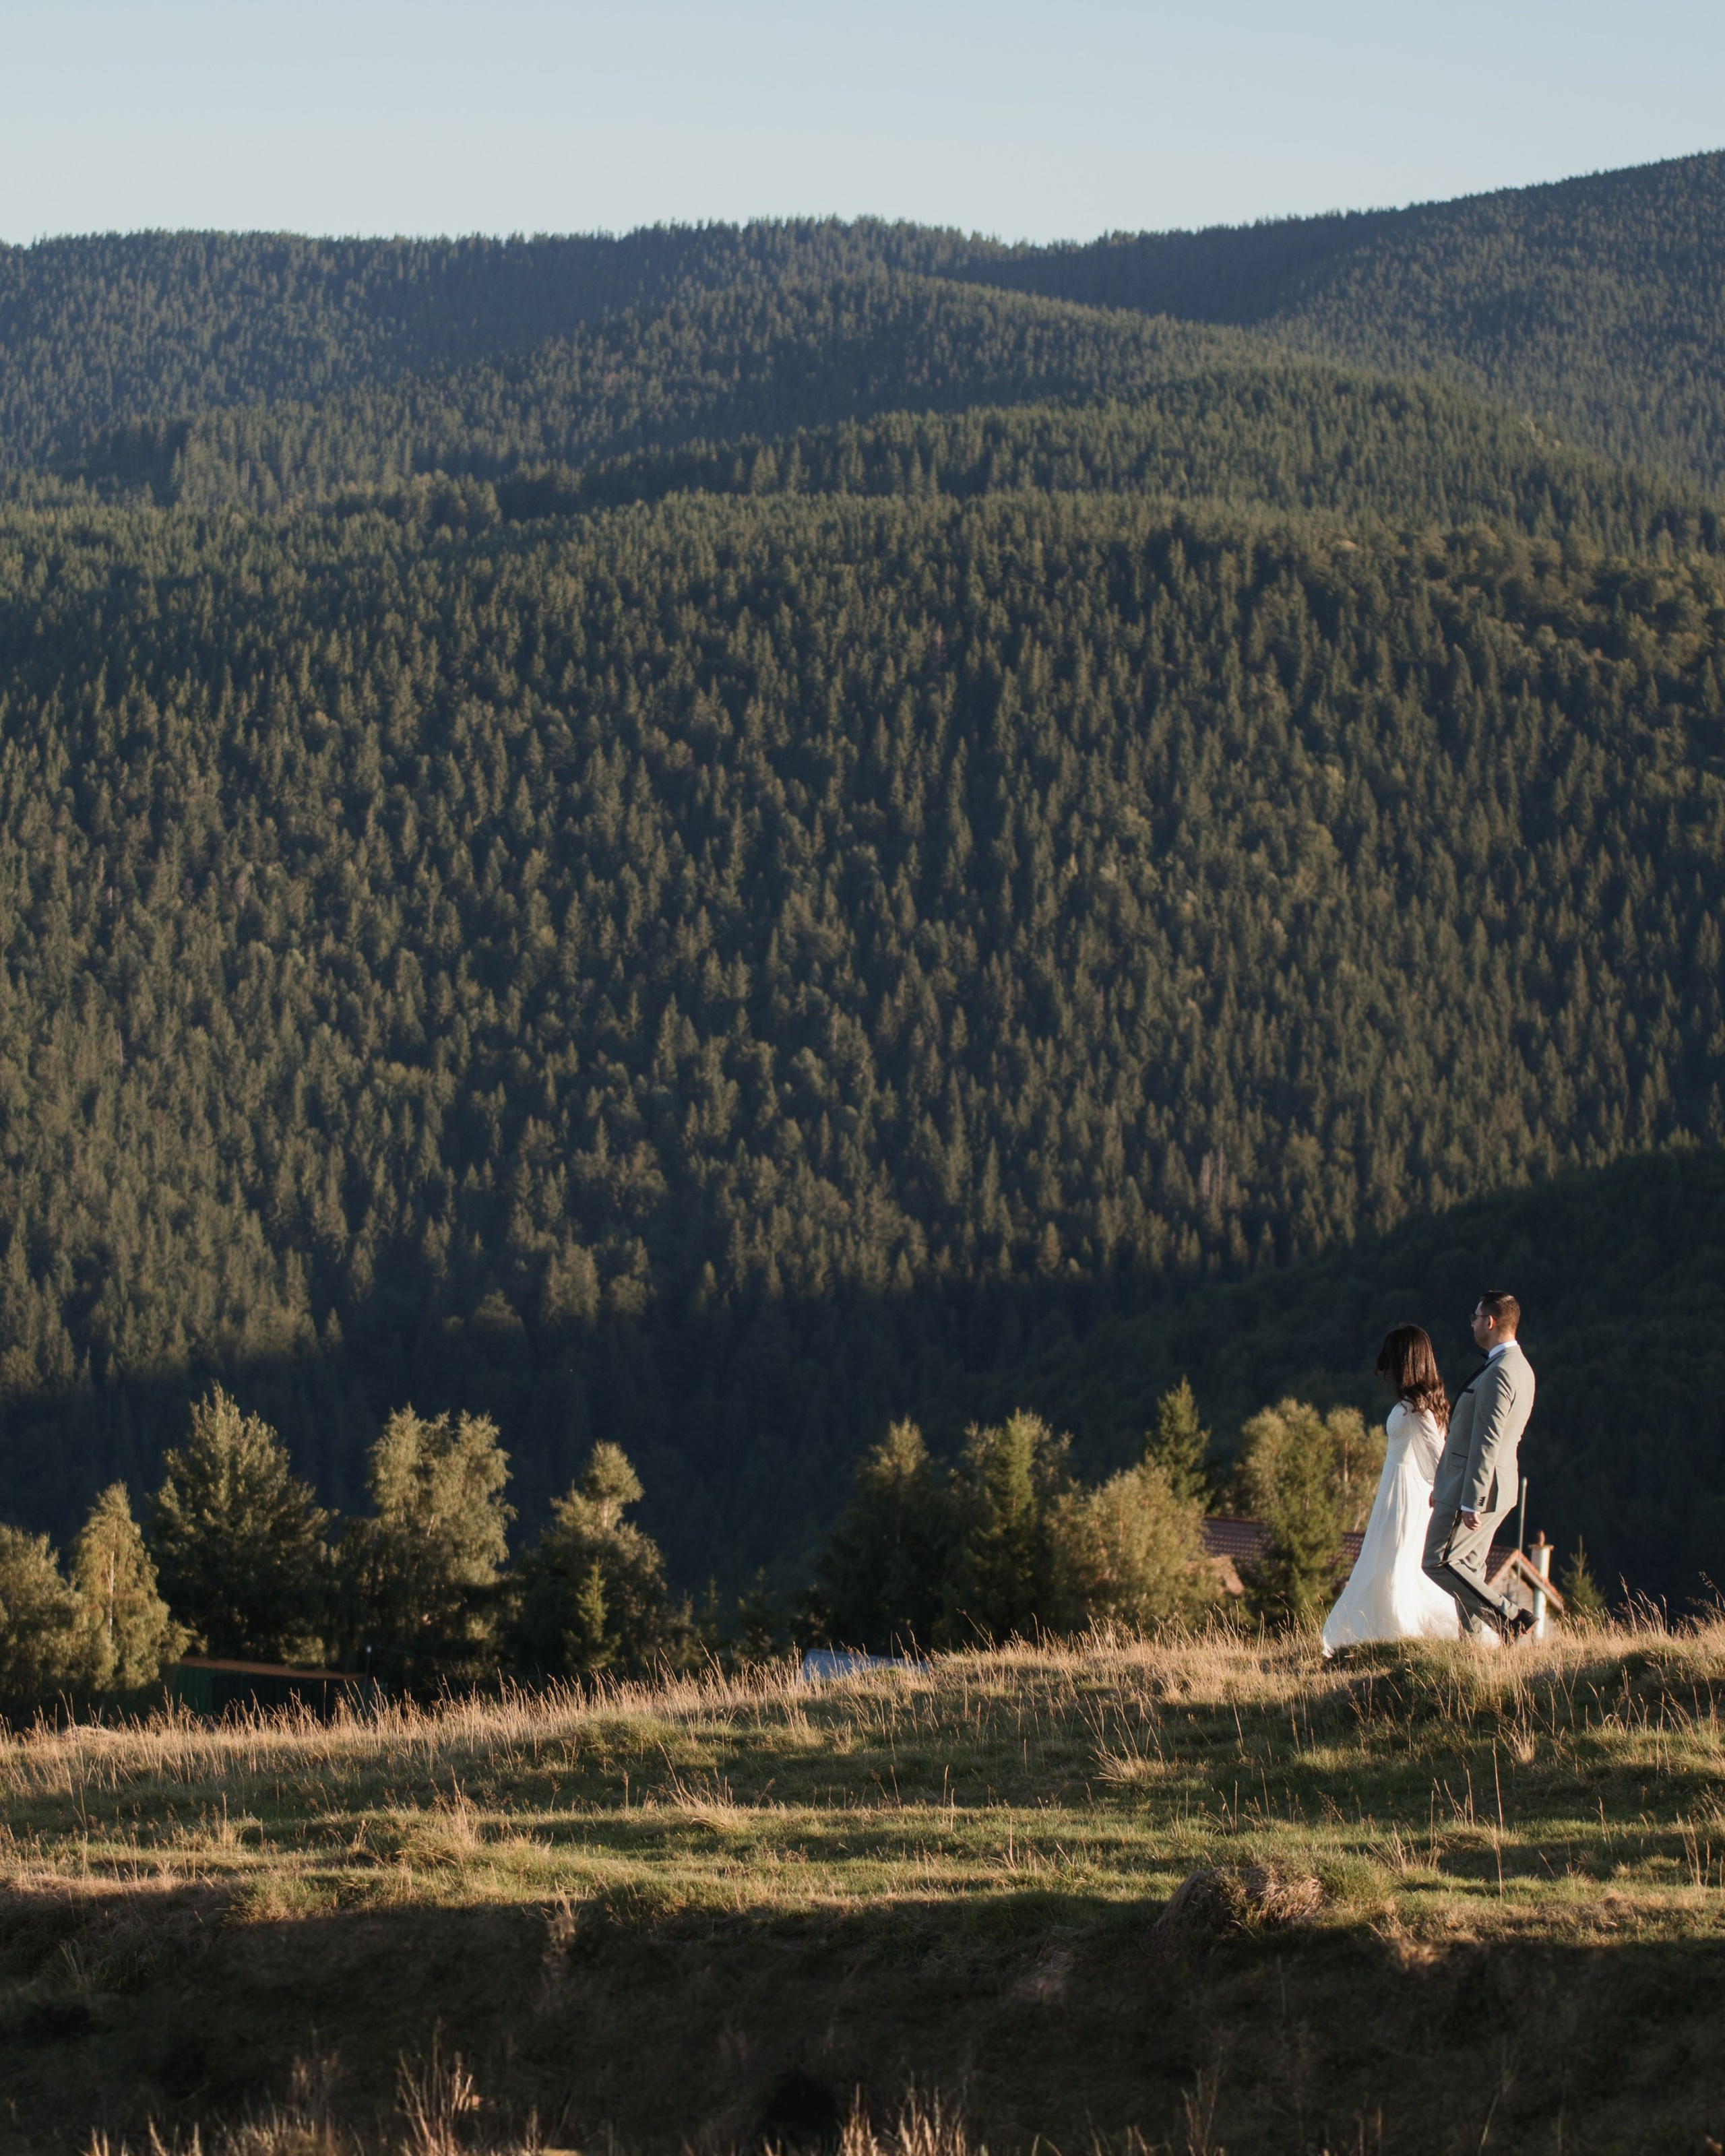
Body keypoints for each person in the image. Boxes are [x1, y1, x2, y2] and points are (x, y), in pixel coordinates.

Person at [1321, 1325, 1470, 1655]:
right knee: (1386, 1559)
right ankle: (1381, 1632)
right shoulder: (1418, 1404)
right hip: (1396, 1490)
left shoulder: (1418, 1408)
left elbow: (1438, 1456)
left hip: (1406, 1495)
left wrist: (1445, 1494)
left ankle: (1400, 1631)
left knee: (1395, 1562)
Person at [1422, 1289, 1537, 1643]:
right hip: (1490, 1486)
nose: (1472, 1324)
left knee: (1438, 1561)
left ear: (1490, 1322)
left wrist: (1472, 1499)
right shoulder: (1520, 1368)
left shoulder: (1501, 1372)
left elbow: (1488, 1441)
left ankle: (1509, 1619)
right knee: (1468, 1567)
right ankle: (1471, 1649)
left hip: (1472, 1488)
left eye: (1475, 1317)